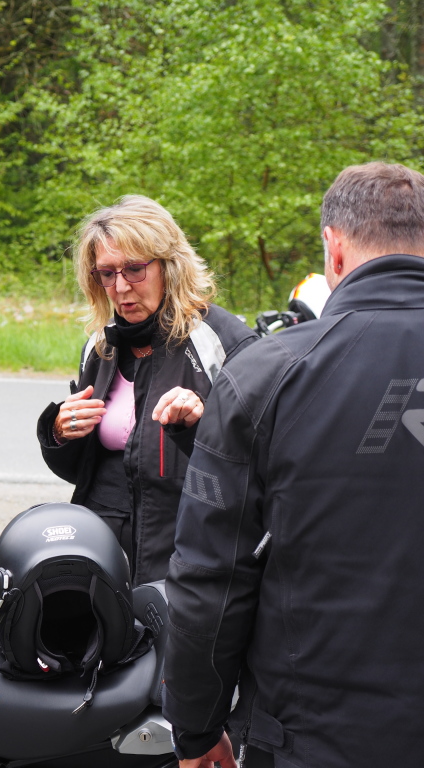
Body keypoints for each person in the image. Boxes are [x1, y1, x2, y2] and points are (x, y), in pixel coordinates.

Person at [163, 162, 424, 768]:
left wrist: (196, 729)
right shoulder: (264, 374)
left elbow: (210, 580)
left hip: (312, 737)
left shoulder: (266, 374)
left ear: (334, 249)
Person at [36, 196, 256, 584]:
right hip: (103, 549)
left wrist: (198, 426)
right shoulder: (100, 346)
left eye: (135, 269)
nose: (120, 287)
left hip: (188, 551)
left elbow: (257, 460)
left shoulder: (223, 341)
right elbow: (80, 472)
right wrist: (59, 432)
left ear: (169, 265)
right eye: (106, 274)